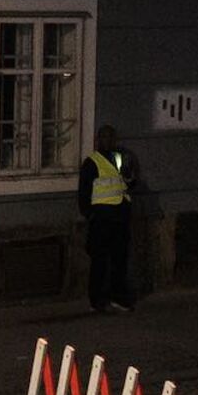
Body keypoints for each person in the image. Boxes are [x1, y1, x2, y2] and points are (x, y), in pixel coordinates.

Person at [78, 124, 136, 314]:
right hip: (102, 219)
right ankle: (97, 301)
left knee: (119, 261)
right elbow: (84, 193)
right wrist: (90, 214)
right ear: (98, 140)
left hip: (119, 217)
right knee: (100, 261)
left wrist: (130, 176)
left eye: (111, 137)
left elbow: (127, 183)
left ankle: (118, 298)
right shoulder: (91, 163)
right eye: (105, 137)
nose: (109, 141)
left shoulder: (120, 159)